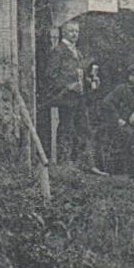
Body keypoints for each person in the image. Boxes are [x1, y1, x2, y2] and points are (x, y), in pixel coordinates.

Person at [43, 20, 103, 172]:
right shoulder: (58, 51)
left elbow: (81, 75)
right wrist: (68, 86)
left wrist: (91, 81)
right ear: (64, 32)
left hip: (79, 98)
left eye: (76, 31)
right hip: (66, 98)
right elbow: (51, 75)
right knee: (67, 128)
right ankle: (65, 163)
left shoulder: (78, 52)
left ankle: (87, 164)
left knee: (84, 129)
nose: (74, 34)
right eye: (71, 31)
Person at [100, 63, 134, 177]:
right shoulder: (122, 89)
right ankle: (131, 170)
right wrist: (117, 119)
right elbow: (107, 103)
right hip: (119, 123)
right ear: (130, 77)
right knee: (131, 138)